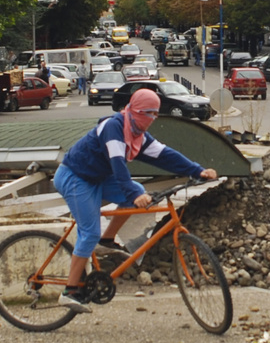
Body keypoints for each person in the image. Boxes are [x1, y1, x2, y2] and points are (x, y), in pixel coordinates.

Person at [52, 87, 217, 312]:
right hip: (75, 176)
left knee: (136, 190)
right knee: (89, 231)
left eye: (156, 114)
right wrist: (134, 194)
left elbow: (166, 155)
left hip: (97, 178)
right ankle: (69, 291)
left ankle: (106, 241)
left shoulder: (138, 135)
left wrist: (197, 171)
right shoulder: (114, 127)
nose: (153, 119)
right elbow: (118, 165)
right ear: (136, 111)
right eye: (149, 113)